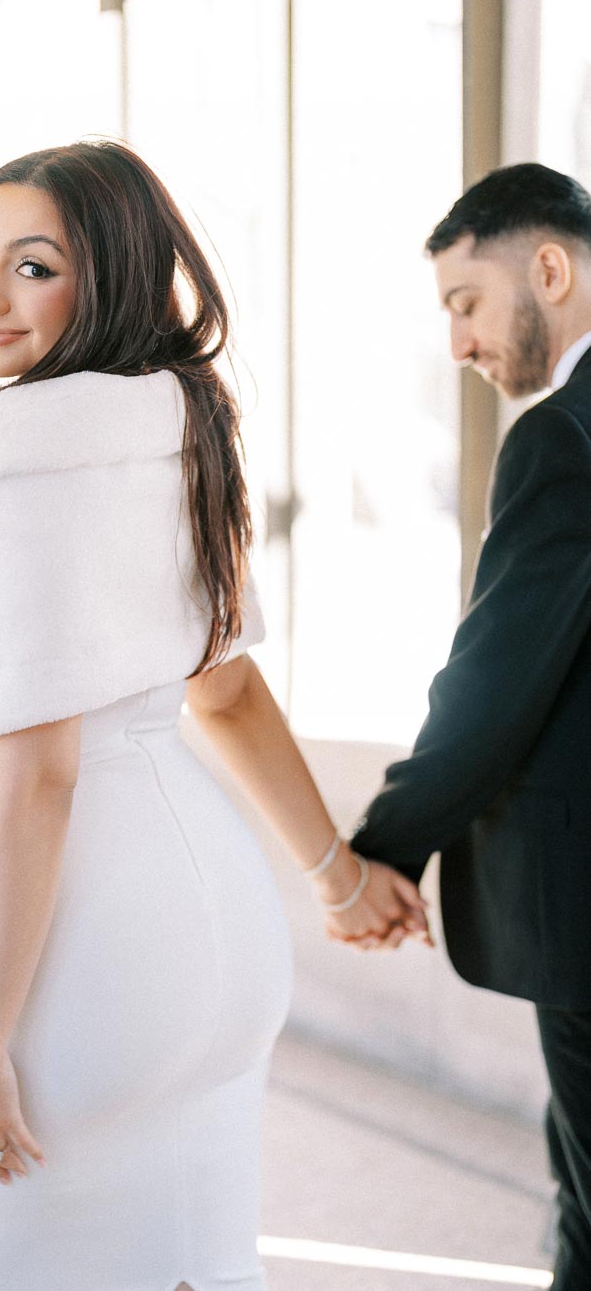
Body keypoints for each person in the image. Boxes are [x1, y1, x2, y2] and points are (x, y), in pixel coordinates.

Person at [0, 139, 426, 1290]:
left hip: (83, 945)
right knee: (194, 1261)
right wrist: (336, 874)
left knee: (5, 1262)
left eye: (34, 265)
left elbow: (40, 778)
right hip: (214, 935)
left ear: (105, 279)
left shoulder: (24, 460)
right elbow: (225, 686)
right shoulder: (180, 432)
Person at [349, 163, 591, 1288]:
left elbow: (493, 685)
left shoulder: (566, 443)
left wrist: (380, 847)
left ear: (551, 268)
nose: (458, 344)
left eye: (466, 304)